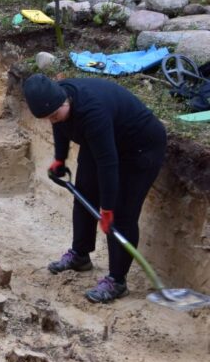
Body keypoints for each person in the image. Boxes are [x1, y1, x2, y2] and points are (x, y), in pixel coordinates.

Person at [23, 73, 166, 303]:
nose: (52, 120)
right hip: (104, 141)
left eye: (53, 115)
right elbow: (60, 124)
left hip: (140, 147)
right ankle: (80, 255)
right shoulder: (58, 98)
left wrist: (107, 209)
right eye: (47, 117)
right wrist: (60, 158)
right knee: (84, 194)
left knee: (122, 215)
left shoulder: (92, 112)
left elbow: (107, 164)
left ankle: (117, 281)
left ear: (64, 101)